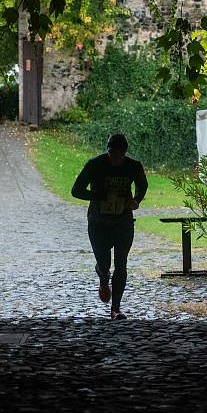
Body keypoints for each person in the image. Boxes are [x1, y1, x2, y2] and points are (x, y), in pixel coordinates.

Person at [71, 133, 148, 320]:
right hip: (99, 223)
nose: (115, 158)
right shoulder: (95, 164)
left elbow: (142, 185)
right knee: (104, 262)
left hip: (123, 222)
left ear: (125, 153)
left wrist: (136, 200)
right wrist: (99, 196)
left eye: (119, 154)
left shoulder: (133, 166)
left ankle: (116, 309)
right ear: (108, 151)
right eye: (112, 153)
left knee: (121, 264)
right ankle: (103, 276)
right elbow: (76, 191)